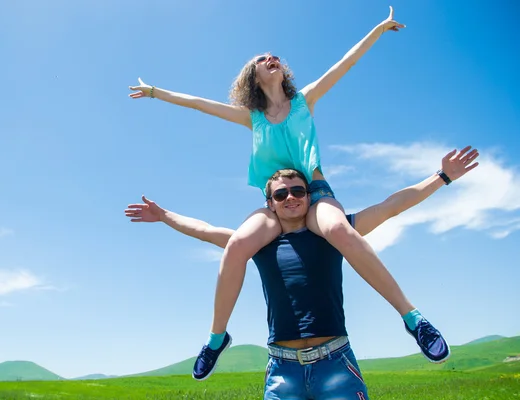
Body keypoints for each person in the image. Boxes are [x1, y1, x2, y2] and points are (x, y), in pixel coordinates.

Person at [128, 6, 445, 380]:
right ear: (253, 76)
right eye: (262, 59)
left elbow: (345, 63)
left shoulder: (304, 102)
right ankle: (217, 339)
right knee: (236, 246)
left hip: (315, 191)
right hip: (276, 200)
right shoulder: (252, 118)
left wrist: (377, 29)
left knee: (342, 231)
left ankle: (412, 318)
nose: (270, 59)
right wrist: (154, 93)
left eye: (274, 56)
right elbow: (199, 104)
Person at [125, 147, 478, 398]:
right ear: (270, 203)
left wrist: (443, 176)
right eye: (282, 193)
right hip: (282, 371)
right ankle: (216, 340)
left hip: (335, 363)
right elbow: (203, 230)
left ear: (310, 196)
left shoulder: (331, 232)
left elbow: (390, 207)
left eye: (299, 190)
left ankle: (413, 320)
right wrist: (164, 215)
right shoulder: (257, 243)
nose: (291, 197)